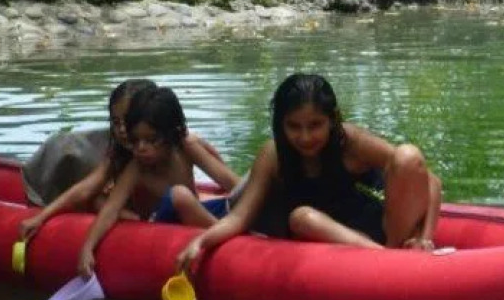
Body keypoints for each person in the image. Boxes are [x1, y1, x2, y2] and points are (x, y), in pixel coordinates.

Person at [174, 73, 441, 270]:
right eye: (294, 126)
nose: (305, 137)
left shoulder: (351, 142)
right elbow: (240, 218)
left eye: (315, 125)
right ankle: (387, 258)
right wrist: (202, 241)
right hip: (316, 231)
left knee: (408, 155)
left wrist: (424, 238)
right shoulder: (274, 154)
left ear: (332, 119)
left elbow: (429, 180)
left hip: (376, 228)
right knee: (302, 217)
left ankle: (394, 253)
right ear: (281, 124)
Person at [20, 79, 239, 241]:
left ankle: (229, 229)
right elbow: (87, 190)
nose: (123, 131)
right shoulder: (127, 159)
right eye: (115, 123)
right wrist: (42, 217)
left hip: (184, 211)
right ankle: (229, 234)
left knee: (193, 197)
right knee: (97, 199)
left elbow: (225, 176)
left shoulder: (181, 143)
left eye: (128, 122)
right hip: (153, 220)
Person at [76, 86, 226, 278]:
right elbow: (111, 209)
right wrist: (87, 247)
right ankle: (230, 236)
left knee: (233, 201)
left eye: (151, 140)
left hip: (195, 215)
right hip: (165, 222)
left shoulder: (186, 147)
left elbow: (231, 182)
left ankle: (231, 230)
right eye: (136, 140)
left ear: (171, 134)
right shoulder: (137, 166)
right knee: (180, 195)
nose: (141, 148)